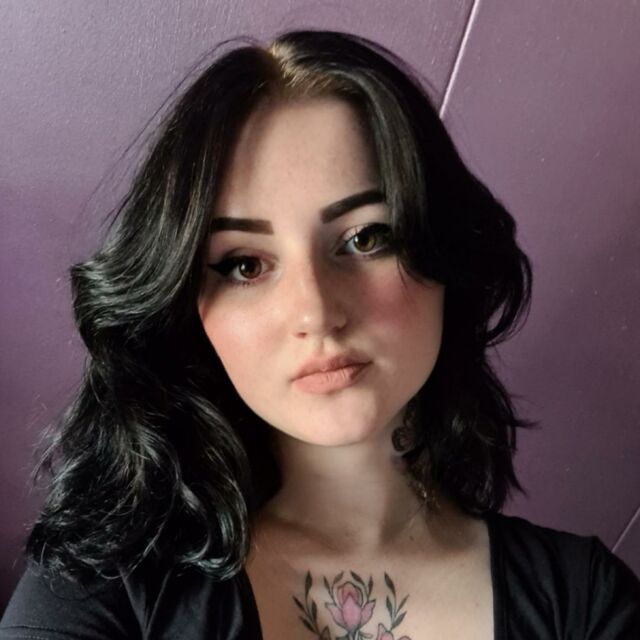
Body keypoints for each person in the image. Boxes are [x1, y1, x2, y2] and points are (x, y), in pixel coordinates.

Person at [1, 28, 639, 640]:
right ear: (187, 306)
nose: (316, 312)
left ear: (444, 251)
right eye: (244, 265)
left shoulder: (583, 601)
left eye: (366, 238)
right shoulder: (101, 583)